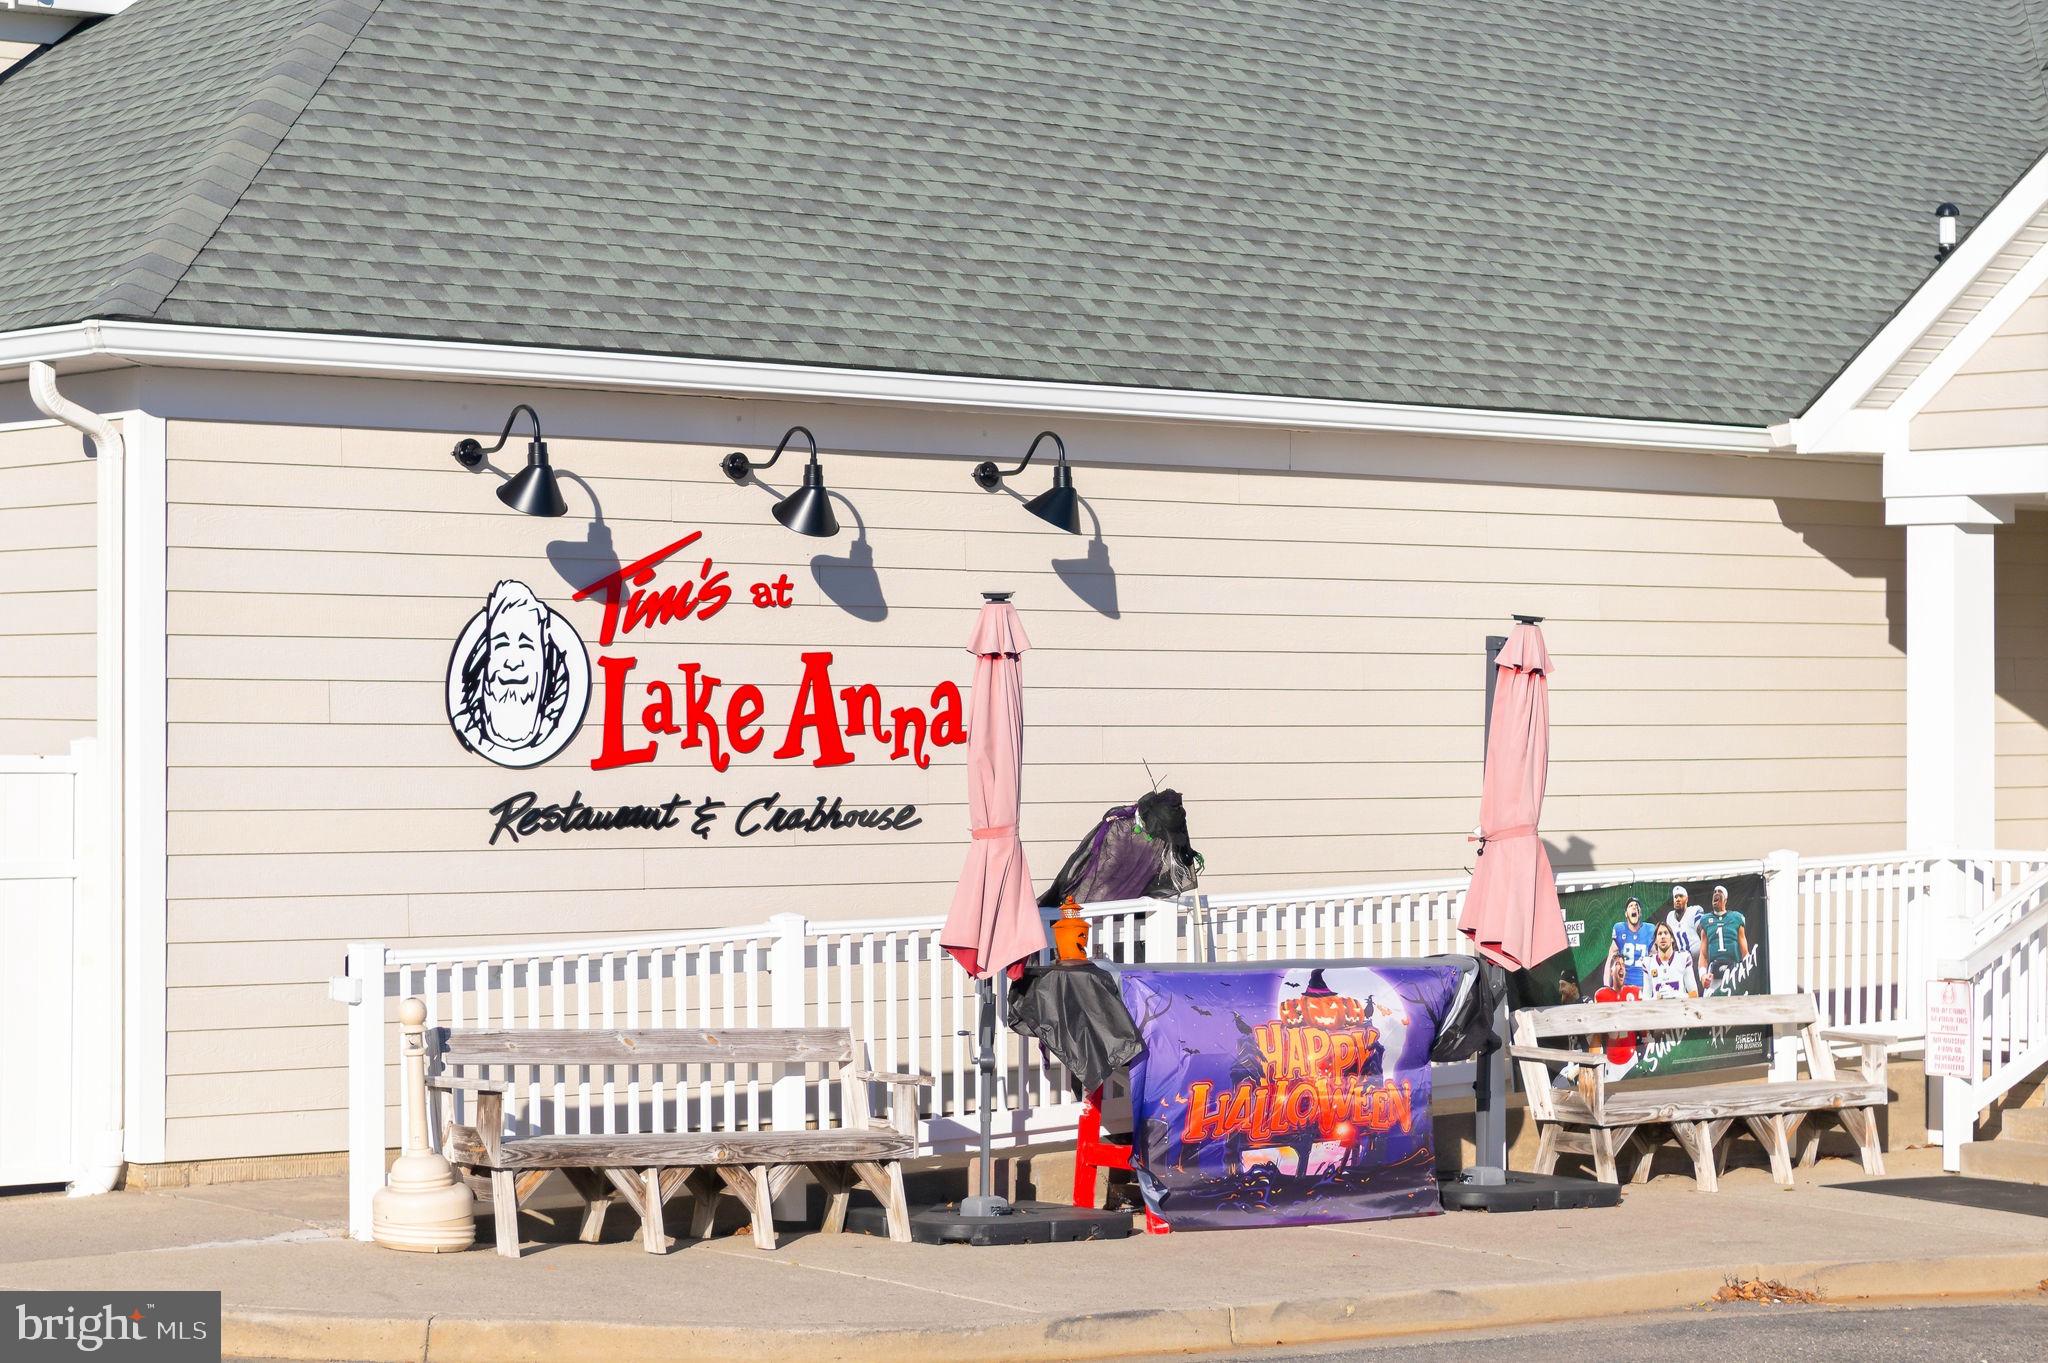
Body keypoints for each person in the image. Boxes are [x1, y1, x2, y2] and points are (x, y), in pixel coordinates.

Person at [1697, 884, 1749, 993]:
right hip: (1713, 972)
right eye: (1714, 892)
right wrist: (1702, 975)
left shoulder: (1736, 917)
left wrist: (1746, 972)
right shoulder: (1706, 920)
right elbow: (1703, 954)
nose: (1716, 893)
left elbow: (1744, 951)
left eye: (1719, 892)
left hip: (1734, 970)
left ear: (1725, 899)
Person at [1606, 897, 1657, 991]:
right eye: (1630, 906)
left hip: (1644, 987)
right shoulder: (1619, 929)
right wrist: (1607, 986)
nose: (1634, 907)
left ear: (1640, 913)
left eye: (1636, 906)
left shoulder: (1650, 929)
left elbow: (1656, 960)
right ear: (1626, 914)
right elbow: (1610, 959)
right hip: (1624, 987)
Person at [1644, 922, 1699, 999]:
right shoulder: (1648, 962)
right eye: (1659, 934)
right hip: (1658, 1009)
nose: (1663, 936)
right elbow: (1645, 998)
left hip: (1679, 1008)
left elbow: (1694, 994)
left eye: (1666, 933)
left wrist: (1677, 995)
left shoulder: (1683, 958)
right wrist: (1655, 998)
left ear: (1672, 938)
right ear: (1655, 941)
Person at [1663, 885, 1703, 962]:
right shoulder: (1670, 917)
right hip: (1682, 960)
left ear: (1687, 899)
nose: (1678, 899)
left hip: (1698, 958)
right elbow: (1671, 942)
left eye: (1681, 896)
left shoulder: (1694, 911)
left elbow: (1704, 935)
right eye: (1675, 897)